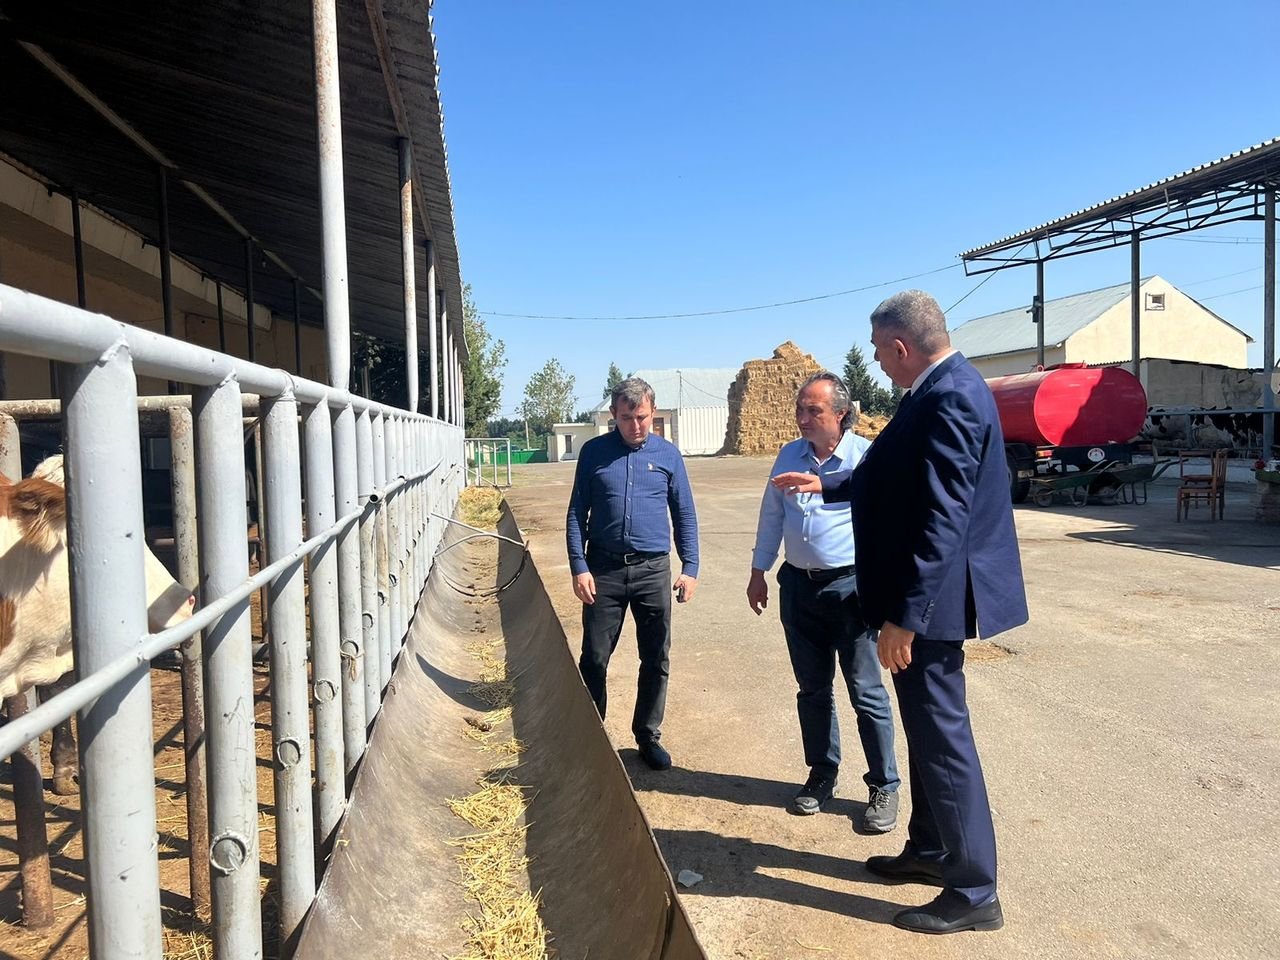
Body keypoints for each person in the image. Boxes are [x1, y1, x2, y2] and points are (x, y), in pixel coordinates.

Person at [773, 290, 1027, 935]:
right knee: (925, 732)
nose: (878, 365)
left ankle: (973, 891)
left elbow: (943, 519)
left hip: (931, 605)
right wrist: (827, 484)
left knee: (944, 744)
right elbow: (891, 473)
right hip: (923, 599)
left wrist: (906, 617)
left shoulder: (953, 398)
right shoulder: (934, 390)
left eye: (880, 352)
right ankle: (933, 850)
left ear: (901, 346)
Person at [747, 372, 900, 832]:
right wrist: (759, 571)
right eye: (800, 409)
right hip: (798, 587)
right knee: (812, 690)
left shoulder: (865, 459)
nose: (803, 418)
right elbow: (772, 516)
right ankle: (821, 774)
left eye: (813, 410)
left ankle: (884, 785)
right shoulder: (788, 456)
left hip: (850, 589)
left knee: (866, 691)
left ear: (841, 414)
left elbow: (886, 523)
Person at [566, 377, 700, 771]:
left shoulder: (668, 456)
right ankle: (590, 736)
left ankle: (647, 735)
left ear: (653, 412)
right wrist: (579, 565)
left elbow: (685, 514)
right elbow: (577, 514)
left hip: (652, 571)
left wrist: (690, 567)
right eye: (627, 418)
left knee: (656, 656)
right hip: (603, 569)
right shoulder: (593, 453)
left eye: (642, 417)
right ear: (614, 415)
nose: (636, 426)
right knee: (593, 656)